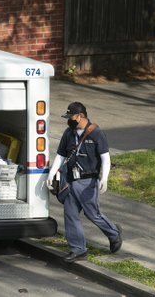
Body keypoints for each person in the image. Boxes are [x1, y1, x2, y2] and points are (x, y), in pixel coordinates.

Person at [47, 102, 122, 263]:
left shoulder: (96, 134)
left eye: (71, 116)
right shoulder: (68, 133)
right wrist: (52, 173)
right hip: (71, 182)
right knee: (70, 214)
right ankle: (78, 249)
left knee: (93, 214)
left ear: (80, 116)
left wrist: (104, 177)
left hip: (88, 182)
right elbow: (61, 155)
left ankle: (114, 233)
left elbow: (105, 158)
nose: (69, 120)